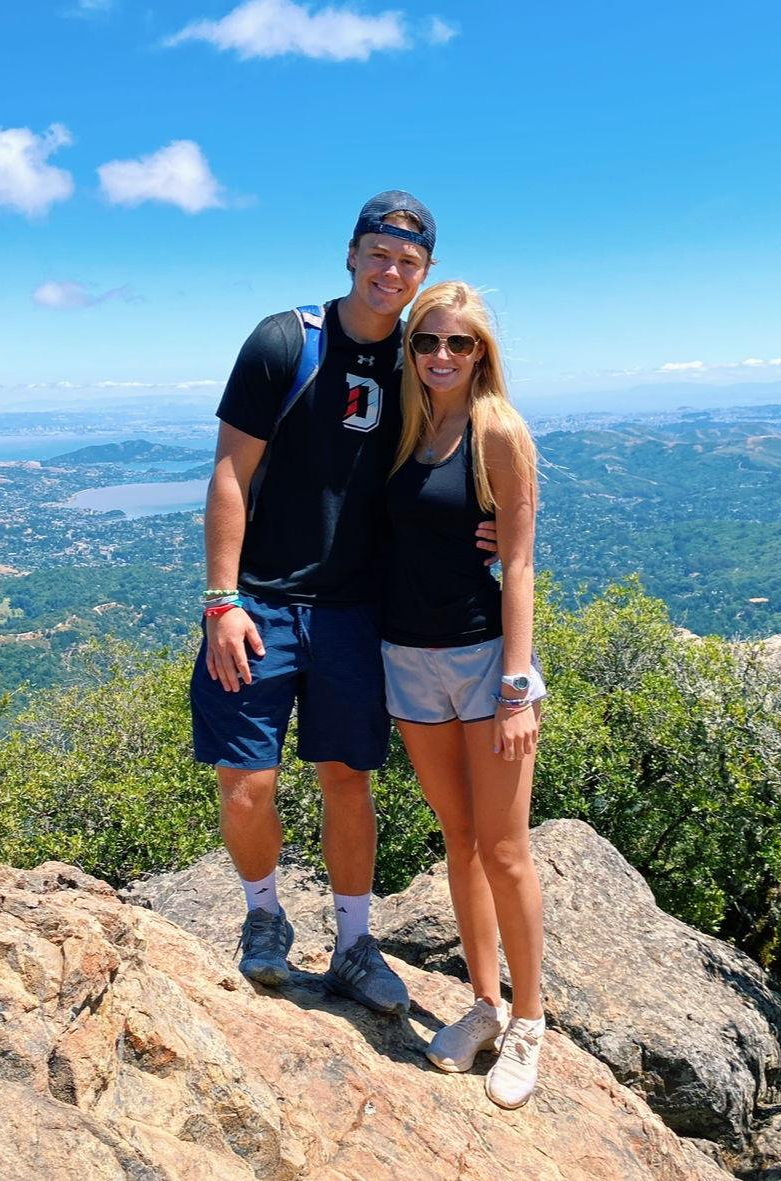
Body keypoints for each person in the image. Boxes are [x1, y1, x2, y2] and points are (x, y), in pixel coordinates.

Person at [190, 192, 493, 1015]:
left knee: (345, 776)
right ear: (351, 255)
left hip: (357, 610)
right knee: (245, 779)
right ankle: (264, 920)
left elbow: (458, 449)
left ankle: (356, 943)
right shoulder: (285, 342)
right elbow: (229, 472)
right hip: (258, 602)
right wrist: (222, 600)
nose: (390, 271)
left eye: (408, 261)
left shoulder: (416, 359)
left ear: (423, 271)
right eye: (378, 253)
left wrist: (494, 530)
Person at [381, 280, 546, 1108]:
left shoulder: (495, 431)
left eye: (459, 343)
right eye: (427, 342)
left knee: (504, 847)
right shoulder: (407, 430)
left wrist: (517, 687)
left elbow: (516, 563)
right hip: (408, 660)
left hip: (485, 662)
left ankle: (528, 1020)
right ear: (410, 352)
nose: (442, 356)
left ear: (482, 351)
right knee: (458, 840)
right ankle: (482, 1002)